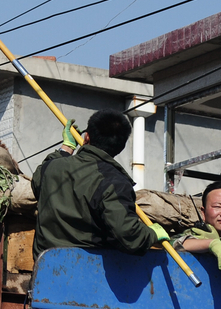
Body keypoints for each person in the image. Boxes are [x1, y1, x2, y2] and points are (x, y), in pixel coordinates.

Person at [32, 110, 168, 260]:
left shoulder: (50, 168)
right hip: (87, 271)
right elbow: (129, 237)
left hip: (44, 270)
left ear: (86, 137)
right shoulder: (115, 183)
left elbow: (38, 180)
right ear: (120, 146)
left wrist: (66, 147)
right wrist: (152, 234)